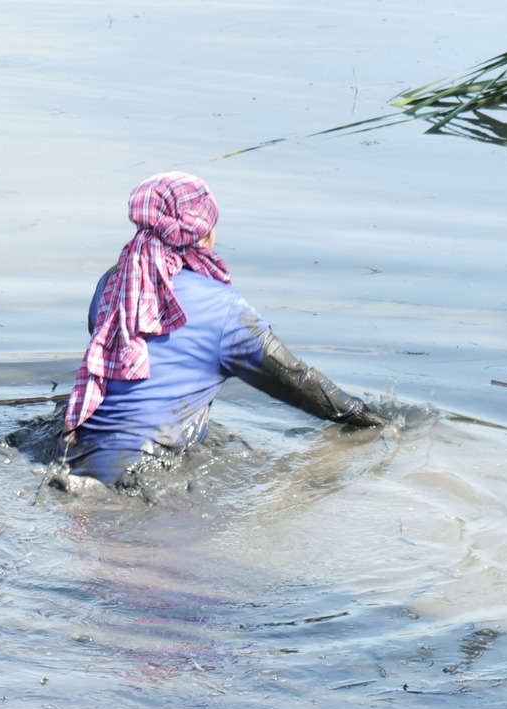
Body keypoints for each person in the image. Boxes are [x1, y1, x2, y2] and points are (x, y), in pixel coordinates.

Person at [61, 171, 383, 485]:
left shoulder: (113, 285)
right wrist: (373, 420)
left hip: (75, 457)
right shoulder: (225, 309)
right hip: (147, 476)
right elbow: (297, 382)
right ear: (207, 232)